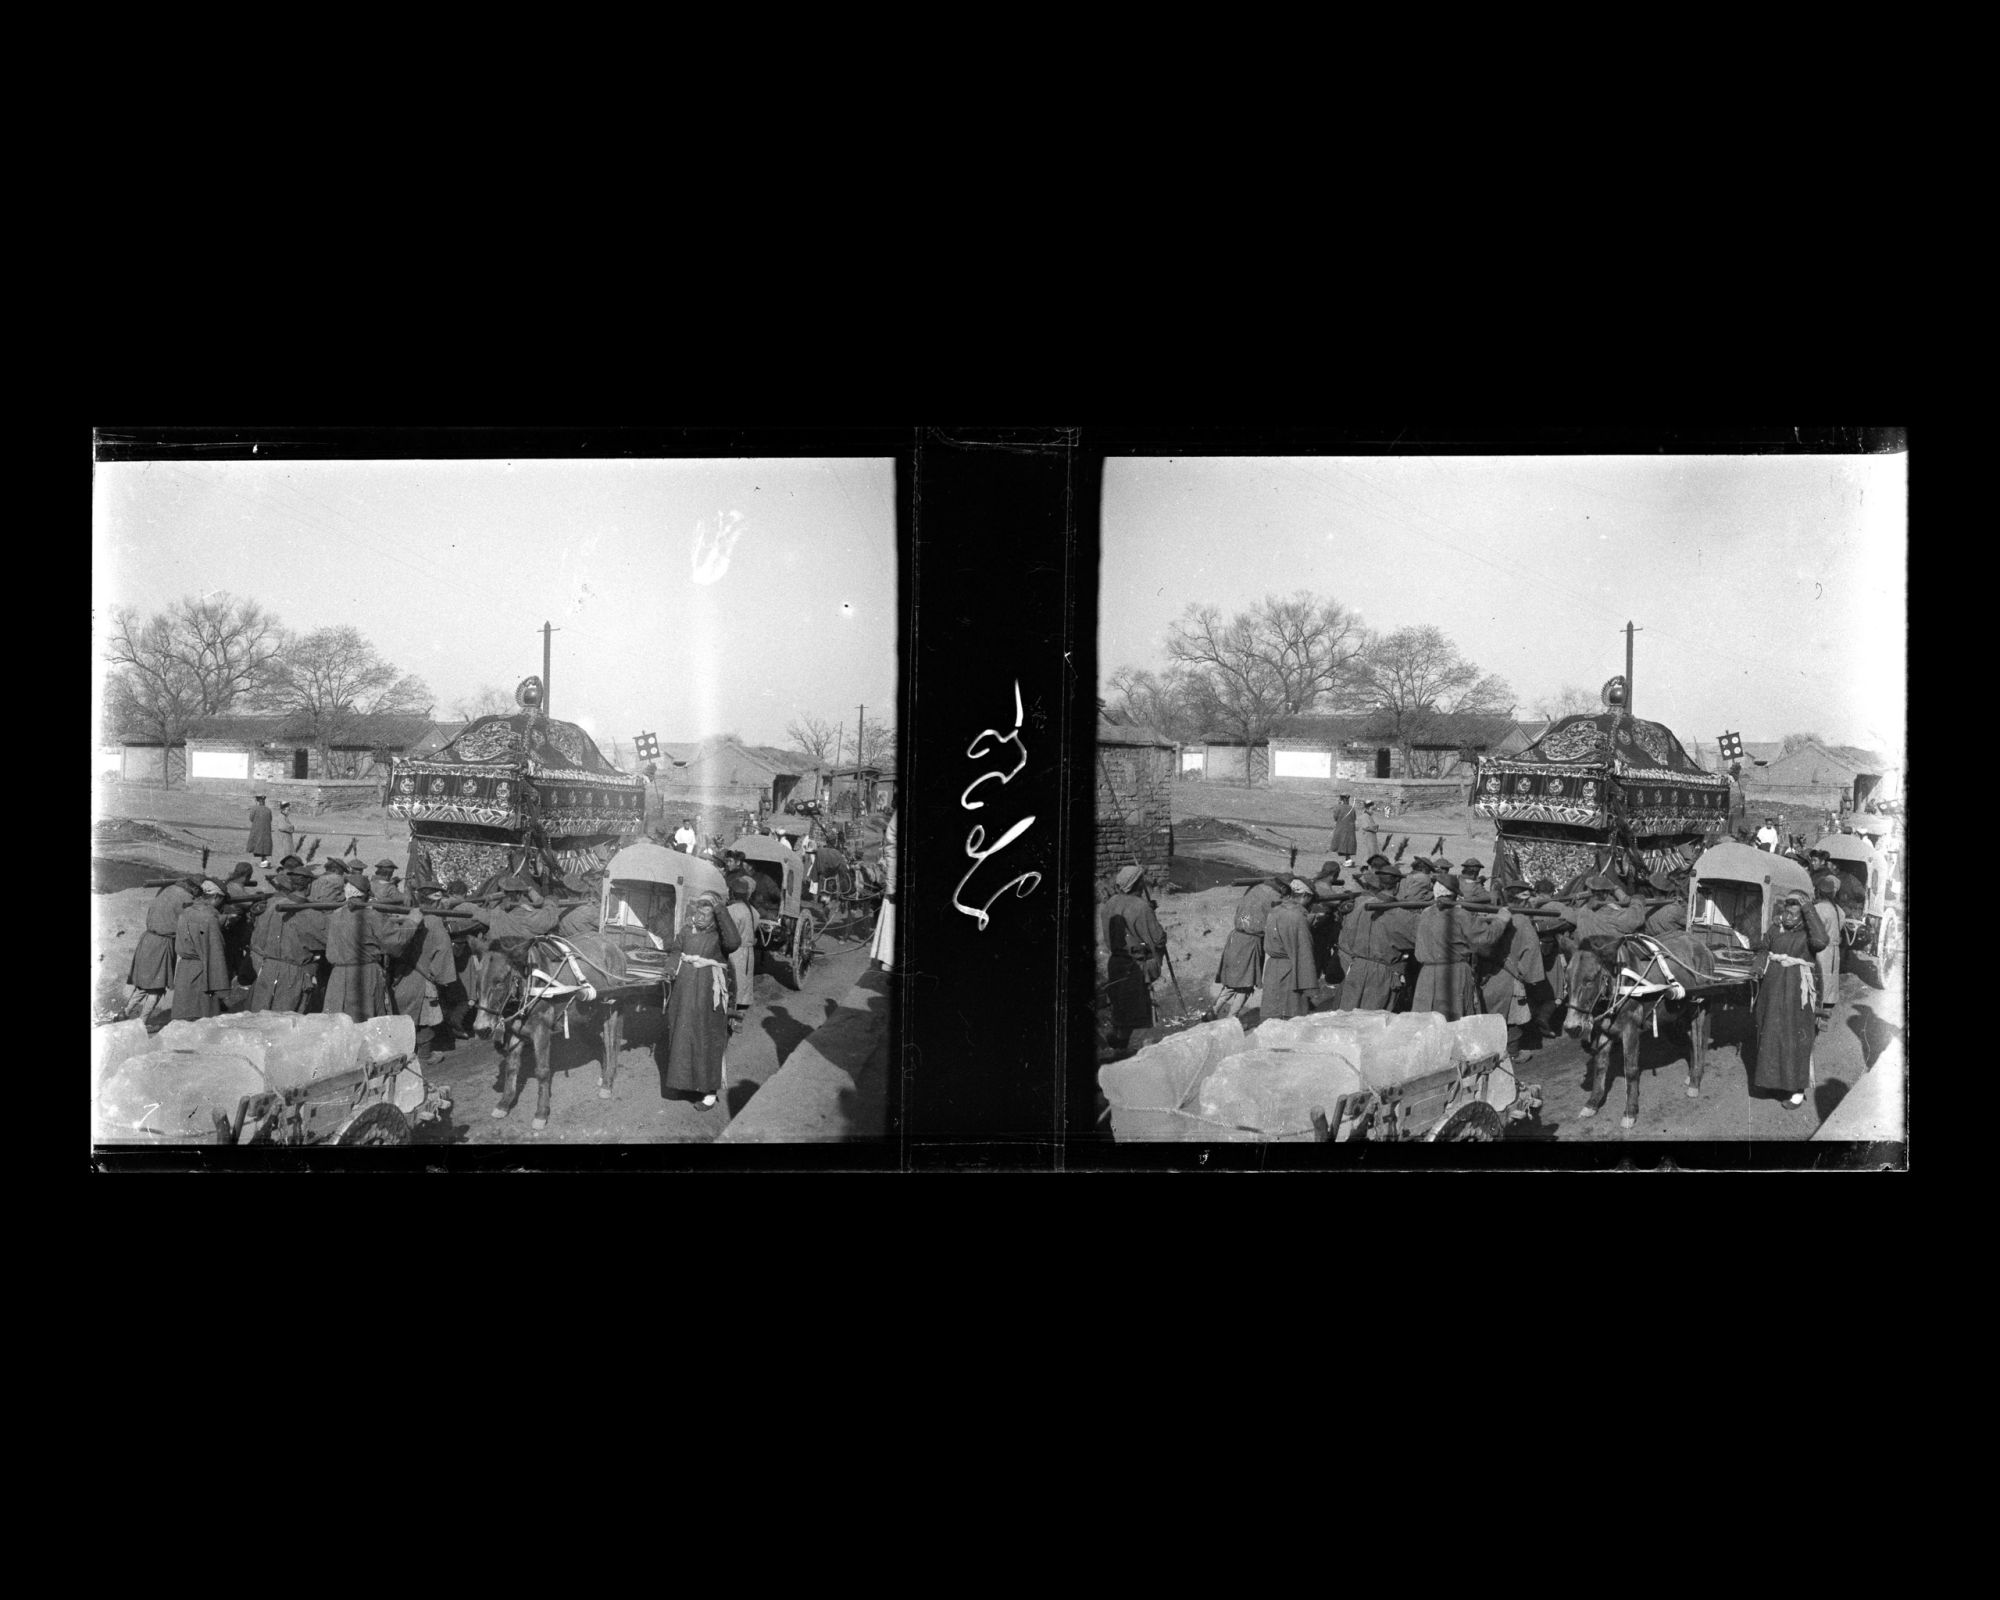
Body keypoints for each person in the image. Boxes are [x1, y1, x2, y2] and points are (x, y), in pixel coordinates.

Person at [659, 889, 742, 1107]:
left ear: (715, 913)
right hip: (684, 993)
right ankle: (681, 1083)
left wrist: (720, 909)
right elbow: (676, 951)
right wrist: (670, 968)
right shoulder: (687, 930)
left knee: (707, 1039)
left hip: (709, 994)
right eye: (698, 909)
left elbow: (734, 943)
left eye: (706, 910)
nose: (700, 914)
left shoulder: (721, 936)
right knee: (681, 1036)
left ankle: (709, 1093)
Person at [1749, 888, 1829, 1107]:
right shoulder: (1777, 927)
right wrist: (1757, 967)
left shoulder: (1810, 931)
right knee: (1771, 1034)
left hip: (1797, 991)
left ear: (1804, 910)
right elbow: (1764, 949)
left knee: (1795, 1038)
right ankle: (1772, 1082)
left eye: (1796, 906)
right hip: (1772, 989)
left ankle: (1796, 1090)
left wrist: (1808, 908)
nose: (1789, 911)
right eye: (1788, 905)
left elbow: (1821, 942)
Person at [1411, 876, 1506, 1021]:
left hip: (1427, 975)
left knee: (1427, 1020)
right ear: (1455, 894)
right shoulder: (1461, 915)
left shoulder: (1425, 913)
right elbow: (1486, 938)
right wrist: (1501, 920)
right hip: (1453, 974)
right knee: (1455, 1019)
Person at [383, 886, 458, 1060]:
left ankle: (404, 1052)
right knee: (424, 1016)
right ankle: (423, 1055)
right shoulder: (434, 921)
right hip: (423, 976)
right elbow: (443, 950)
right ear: (437, 901)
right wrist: (439, 976)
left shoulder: (407, 917)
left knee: (404, 1013)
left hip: (402, 974)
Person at [1101, 863, 1168, 1051]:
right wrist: (1150, 916)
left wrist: (1147, 911)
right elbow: (1158, 939)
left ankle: (1119, 1041)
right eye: (1142, 881)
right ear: (1138, 884)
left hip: (1116, 963)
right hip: (1136, 967)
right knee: (1136, 1009)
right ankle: (1129, 1049)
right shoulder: (1141, 908)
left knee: (1120, 1006)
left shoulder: (1110, 903)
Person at [1337, 864, 1418, 1011]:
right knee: (1375, 1021)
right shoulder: (1400, 914)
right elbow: (1417, 939)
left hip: (1355, 967)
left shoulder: (1358, 904)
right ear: (1398, 885)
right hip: (1380, 974)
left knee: (1348, 1018)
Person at [248, 869, 325, 1014]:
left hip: (266, 968)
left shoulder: (269, 904)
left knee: (260, 1016)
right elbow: (326, 941)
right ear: (309, 886)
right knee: (286, 1019)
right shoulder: (311, 913)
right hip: (292, 974)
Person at [126, 876, 199, 1015]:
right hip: (162, 944)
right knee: (157, 987)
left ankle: (125, 1012)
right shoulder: (187, 899)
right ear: (194, 888)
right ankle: (143, 1021)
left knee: (143, 984)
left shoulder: (167, 889)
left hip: (147, 939)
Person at [322, 883, 390, 1022]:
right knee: (366, 1020)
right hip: (365, 973)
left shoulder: (334, 915)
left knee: (337, 1020)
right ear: (365, 894)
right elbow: (394, 940)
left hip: (338, 974)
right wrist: (413, 921)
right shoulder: (372, 915)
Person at [171, 880, 233, 1020]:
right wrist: (222, 988)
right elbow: (215, 954)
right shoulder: (209, 918)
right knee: (203, 1014)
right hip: (202, 971)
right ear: (216, 897)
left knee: (183, 1012)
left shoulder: (187, 911)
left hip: (184, 969)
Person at [1216, 876, 1285, 1001]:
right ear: (1284, 887)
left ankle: (1213, 1012)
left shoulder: (1254, 887)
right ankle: (1232, 1017)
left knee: (1231, 983)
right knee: (1247, 985)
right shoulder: (1275, 897)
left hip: (1235, 937)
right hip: (1251, 942)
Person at [1260, 879, 1320, 1019]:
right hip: (1290, 970)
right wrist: (1310, 987)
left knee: (1272, 1010)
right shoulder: (1298, 916)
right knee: (1290, 1012)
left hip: (1272, 968)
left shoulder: (1275, 910)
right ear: (1305, 896)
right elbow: (1304, 951)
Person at [724, 873, 758, 1028]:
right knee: (744, 984)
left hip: (735, 952)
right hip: (749, 952)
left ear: (733, 892)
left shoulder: (731, 910)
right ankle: (738, 1018)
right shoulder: (753, 912)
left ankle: (731, 1016)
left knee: (733, 983)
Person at [868, 808, 897, 971]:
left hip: (887, 880)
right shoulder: (882, 852)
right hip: (886, 880)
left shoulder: (884, 851)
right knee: (875, 896)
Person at [1812, 873, 1843, 1019]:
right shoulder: (1839, 911)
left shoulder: (1818, 908)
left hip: (1822, 951)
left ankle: (1816, 1011)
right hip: (1834, 951)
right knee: (1829, 980)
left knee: (1819, 980)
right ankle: (1825, 1012)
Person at [1329, 793, 1358, 863]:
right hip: (1350, 829)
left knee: (1342, 843)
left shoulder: (1338, 807)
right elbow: (1354, 818)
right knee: (1347, 844)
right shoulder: (1352, 808)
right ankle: (1348, 859)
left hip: (1341, 828)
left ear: (1341, 799)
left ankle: (1348, 860)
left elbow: (1335, 818)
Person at [247, 793, 274, 862]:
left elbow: (251, 818)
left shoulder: (254, 809)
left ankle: (258, 855)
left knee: (256, 841)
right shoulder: (268, 810)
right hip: (266, 830)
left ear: (257, 801)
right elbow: (270, 819)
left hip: (256, 829)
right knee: (264, 843)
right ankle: (263, 857)